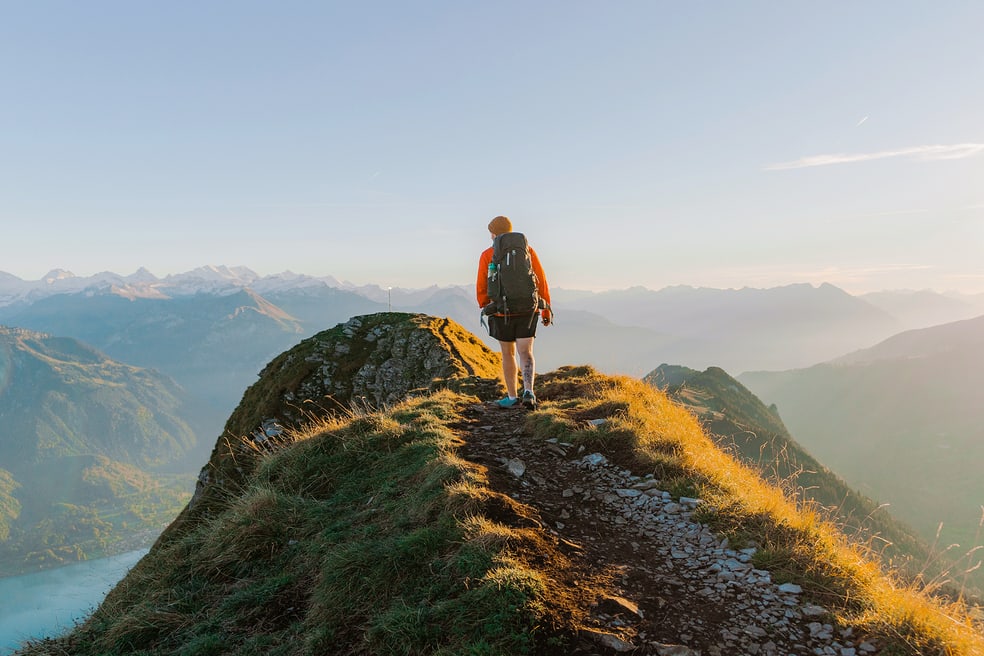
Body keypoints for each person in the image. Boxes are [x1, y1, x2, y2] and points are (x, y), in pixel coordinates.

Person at [476, 215, 552, 408]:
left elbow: (482, 283)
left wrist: (485, 305)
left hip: (502, 312)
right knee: (526, 352)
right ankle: (529, 392)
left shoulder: (488, 254)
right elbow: (540, 279)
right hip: (528, 309)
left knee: (508, 353)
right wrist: (546, 308)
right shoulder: (527, 250)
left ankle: (511, 397)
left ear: (493, 233)